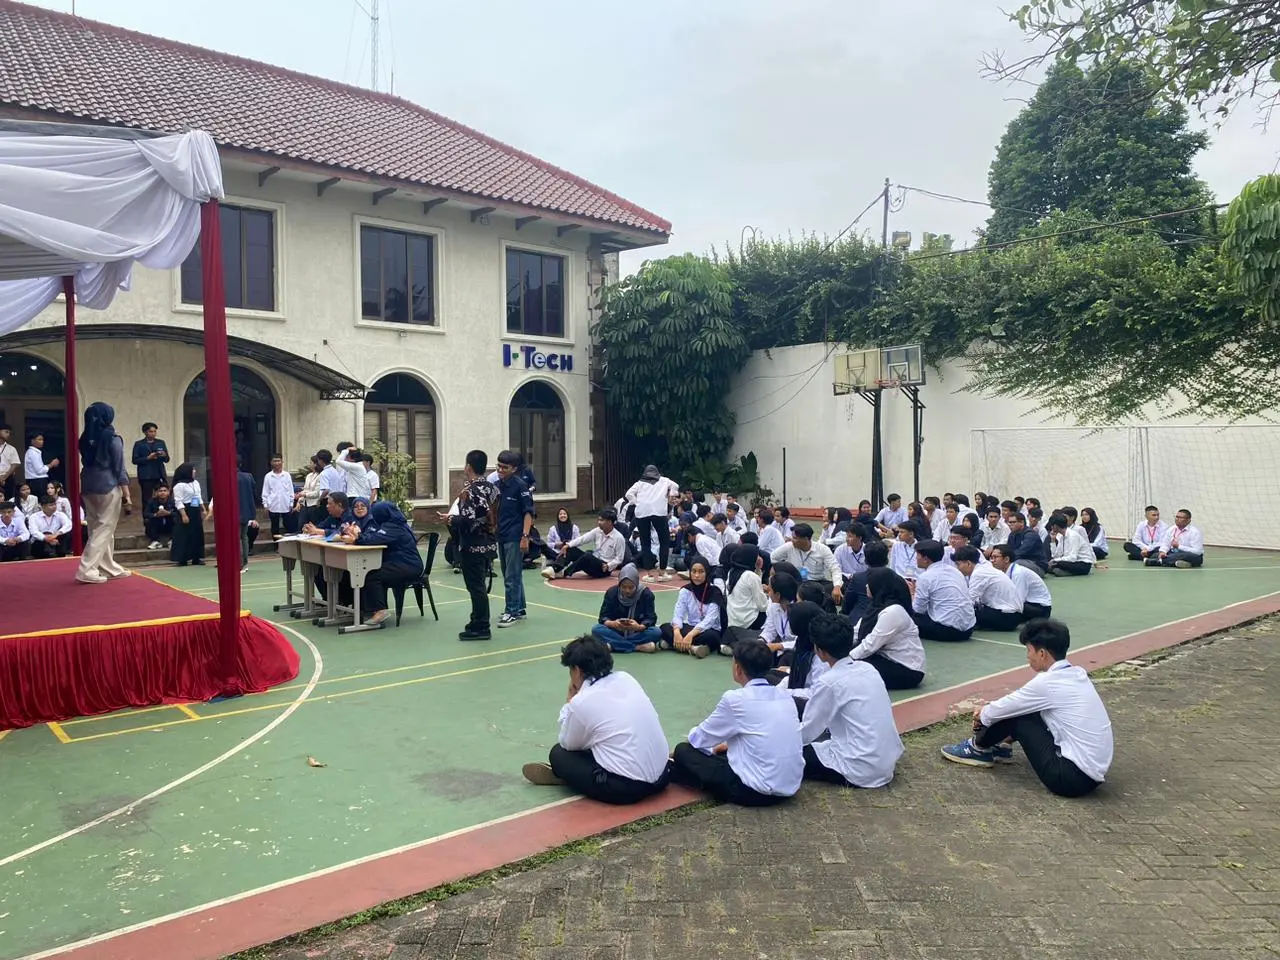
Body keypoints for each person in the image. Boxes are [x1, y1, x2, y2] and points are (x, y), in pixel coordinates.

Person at [941, 619, 1113, 798]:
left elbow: (1006, 707)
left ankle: (977, 748)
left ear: (1042, 653)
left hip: (1069, 780)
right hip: (1091, 775)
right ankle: (1001, 745)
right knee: (1025, 710)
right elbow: (1016, 702)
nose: (1027, 656)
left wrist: (982, 715)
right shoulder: (1077, 674)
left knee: (1019, 717)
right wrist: (987, 712)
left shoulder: (1047, 683)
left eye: (1029, 650)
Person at [521, 635, 670, 804]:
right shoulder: (626, 678)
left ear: (577, 670)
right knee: (601, 736)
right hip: (663, 777)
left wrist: (570, 697)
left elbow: (568, 744)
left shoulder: (582, 701)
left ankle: (569, 777)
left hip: (627, 789)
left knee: (558, 754)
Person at [669, 639, 804, 806]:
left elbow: (699, 739)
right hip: (790, 785)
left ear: (738, 669)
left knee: (683, 751)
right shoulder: (785, 696)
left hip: (753, 791)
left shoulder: (735, 699)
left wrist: (701, 741)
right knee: (724, 752)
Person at [800, 612, 904, 787]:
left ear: (819, 651)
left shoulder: (829, 682)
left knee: (788, 753)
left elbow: (808, 731)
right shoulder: (868, 669)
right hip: (886, 762)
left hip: (859, 769)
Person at [440, 449, 499, 641]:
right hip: (489, 543)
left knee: (475, 587)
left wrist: (451, 519)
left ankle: (481, 625)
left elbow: (468, 521)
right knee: (479, 585)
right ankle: (477, 620)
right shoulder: (493, 488)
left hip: (472, 546)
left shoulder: (469, 491)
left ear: (468, 466)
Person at [70, 403, 131, 583]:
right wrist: (127, 494)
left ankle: (108, 567)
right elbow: (119, 467)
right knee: (105, 528)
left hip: (88, 484)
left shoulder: (84, 438)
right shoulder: (112, 437)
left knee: (96, 526)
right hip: (108, 484)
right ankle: (87, 570)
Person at [341, 500, 424, 626]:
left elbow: (374, 540)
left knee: (371, 575)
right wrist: (358, 536)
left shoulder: (394, 527)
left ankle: (380, 611)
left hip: (408, 566)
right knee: (367, 571)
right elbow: (372, 537)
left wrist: (356, 538)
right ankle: (365, 609)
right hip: (398, 562)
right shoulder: (390, 524)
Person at [850, 567, 926, 689]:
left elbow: (870, 645)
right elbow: (856, 632)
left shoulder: (893, 611)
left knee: (852, 668)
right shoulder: (875, 606)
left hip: (907, 669)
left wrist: (846, 659)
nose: (866, 586)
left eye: (869, 583)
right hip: (884, 657)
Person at [492, 450, 536, 628]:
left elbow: (528, 513)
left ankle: (511, 612)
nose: (500, 470)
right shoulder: (497, 485)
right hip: (502, 535)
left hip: (515, 536)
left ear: (514, 469)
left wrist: (525, 536)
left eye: (505, 467)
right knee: (509, 573)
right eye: (499, 466)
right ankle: (520, 607)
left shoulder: (520, 486)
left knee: (512, 575)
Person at [910, 539, 976, 642]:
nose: (916, 558)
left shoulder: (925, 577)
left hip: (946, 631)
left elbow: (918, 610)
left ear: (926, 559)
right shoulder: (955, 571)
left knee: (904, 616)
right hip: (968, 629)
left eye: (917, 555)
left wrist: (912, 594)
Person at [659, 557, 725, 658]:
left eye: (701, 572)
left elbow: (710, 620)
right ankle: (693, 648)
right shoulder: (685, 590)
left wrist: (691, 635)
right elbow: (678, 614)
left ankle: (673, 645)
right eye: (693, 571)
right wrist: (676, 632)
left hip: (707, 629)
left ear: (707, 572)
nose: (696, 575)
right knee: (664, 627)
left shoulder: (715, 592)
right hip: (690, 626)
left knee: (712, 637)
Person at [623, 464, 679, 577]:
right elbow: (675, 486)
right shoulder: (664, 480)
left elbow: (628, 494)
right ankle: (662, 571)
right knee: (664, 542)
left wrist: (636, 502)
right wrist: (671, 494)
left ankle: (649, 573)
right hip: (659, 513)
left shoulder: (639, 483)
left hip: (642, 513)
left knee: (645, 543)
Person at [543, 508, 627, 581]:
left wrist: (608, 565)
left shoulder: (618, 538)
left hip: (603, 569)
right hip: (594, 561)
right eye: (598, 520)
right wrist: (567, 545)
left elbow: (619, 558)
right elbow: (583, 539)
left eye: (602, 520)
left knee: (588, 555)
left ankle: (564, 573)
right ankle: (555, 569)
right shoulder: (598, 531)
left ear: (610, 522)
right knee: (571, 549)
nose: (599, 522)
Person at [591, 564, 660, 653]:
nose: (627, 590)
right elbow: (603, 616)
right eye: (623, 587)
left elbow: (650, 618)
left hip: (637, 632)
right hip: (616, 631)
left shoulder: (646, 594)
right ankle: (637, 647)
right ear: (619, 584)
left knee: (656, 632)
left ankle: (615, 645)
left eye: (631, 587)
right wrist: (613, 623)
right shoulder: (612, 592)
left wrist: (638, 627)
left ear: (636, 584)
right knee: (596, 629)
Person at [770, 523, 843, 606]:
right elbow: (772, 557)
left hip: (817, 583)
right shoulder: (789, 546)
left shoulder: (822, 549)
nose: (792, 540)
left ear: (806, 539)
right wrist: (781, 571)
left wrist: (837, 586)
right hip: (796, 582)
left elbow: (834, 568)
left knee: (840, 588)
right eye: (792, 537)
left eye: (795, 538)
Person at [954, 545, 1023, 631]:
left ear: (968, 563)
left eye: (958, 564)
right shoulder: (983, 569)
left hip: (1008, 617)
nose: (957, 568)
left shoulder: (979, 574)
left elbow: (969, 601)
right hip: (1012, 615)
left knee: (962, 612)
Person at [989, 545, 1052, 620]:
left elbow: (1018, 600)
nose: (992, 560)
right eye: (991, 557)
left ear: (1006, 559)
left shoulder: (1018, 573)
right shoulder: (1003, 572)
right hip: (1027, 604)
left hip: (1040, 609)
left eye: (995, 557)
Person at [724, 544, 769, 642]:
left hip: (733, 620)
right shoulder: (751, 576)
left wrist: (758, 570)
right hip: (749, 621)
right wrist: (770, 597)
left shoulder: (732, 572)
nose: (759, 558)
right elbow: (763, 606)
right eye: (757, 555)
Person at [169, 461, 208, 567]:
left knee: (196, 533)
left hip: (195, 508)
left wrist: (203, 509)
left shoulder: (195, 483)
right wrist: (183, 514)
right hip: (185, 510)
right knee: (183, 534)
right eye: (192, 470)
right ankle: (182, 558)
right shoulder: (179, 485)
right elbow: (178, 501)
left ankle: (197, 557)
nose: (194, 471)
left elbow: (198, 497)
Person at [131, 422, 170, 505]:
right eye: (151, 431)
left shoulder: (160, 442)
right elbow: (135, 460)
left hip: (159, 474)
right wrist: (148, 458)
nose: (153, 434)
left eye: (155, 431)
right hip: (146, 476)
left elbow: (167, 459)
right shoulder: (139, 444)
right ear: (145, 432)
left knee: (161, 497)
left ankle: (161, 512)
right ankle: (147, 513)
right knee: (147, 499)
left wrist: (164, 455)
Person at [1046, 512, 1094, 577]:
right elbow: (1056, 556)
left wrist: (1055, 561)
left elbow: (1072, 558)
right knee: (1052, 564)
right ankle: (1059, 570)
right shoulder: (1061, 537)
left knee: (1057, 564)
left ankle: (1060, 571)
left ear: (1055, 526)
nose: (1051, 528)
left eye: (1052, 525)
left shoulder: (1073, 536)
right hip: (1071, 562)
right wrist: (1053, 541)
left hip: (1083, 564)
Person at [262, 456, 297, 538]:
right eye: (275, 461)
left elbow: (290, 490)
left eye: (279, 461)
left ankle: (289, 542)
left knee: (289, 525)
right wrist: (265, 504)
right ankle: (276, 544)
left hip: (286, 504)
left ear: (282, 462)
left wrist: (291, 503)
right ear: (271, 462)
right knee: (275, 527)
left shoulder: (287, 475)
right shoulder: (268, 476)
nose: (277, 463)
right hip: (273, 505)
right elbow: (265, 491)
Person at [235, 457, 259, 573]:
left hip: (234, 512)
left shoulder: (229, 477)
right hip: (246, 511)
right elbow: (254, 494)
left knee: (237, 538)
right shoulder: (248, 476)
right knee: (243, 537)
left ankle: (239, 563)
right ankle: (245, 563)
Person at [23, 433, 58, 500]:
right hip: (38, 482)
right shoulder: (33, 453)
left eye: (42, 440)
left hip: (36, 481)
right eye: (39, 439)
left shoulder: (35, 452)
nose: (42, 441)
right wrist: (51, 464)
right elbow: (39, 470)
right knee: (42, 501)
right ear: (32, 441)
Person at [143, 483, 175, 550]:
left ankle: (172, 541)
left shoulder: (173, 501)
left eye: (164, 491)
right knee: (148, 520)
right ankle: (156, 541)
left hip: (169, 524)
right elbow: (146, 513)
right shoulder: (152, 502)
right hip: (157, 525)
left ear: (168, 492)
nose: (162, 493)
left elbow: (177, 512)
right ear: (156, 493)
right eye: (160, 491)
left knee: (177, 519)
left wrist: (168, 513)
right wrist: (156, 515)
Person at [0, 423, 20, 501]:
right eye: (6, 432)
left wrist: (3, 478)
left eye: (9, 433)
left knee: (8, 500)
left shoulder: (11, 449)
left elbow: (14, 465)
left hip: (8, 479)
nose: (8, 434)